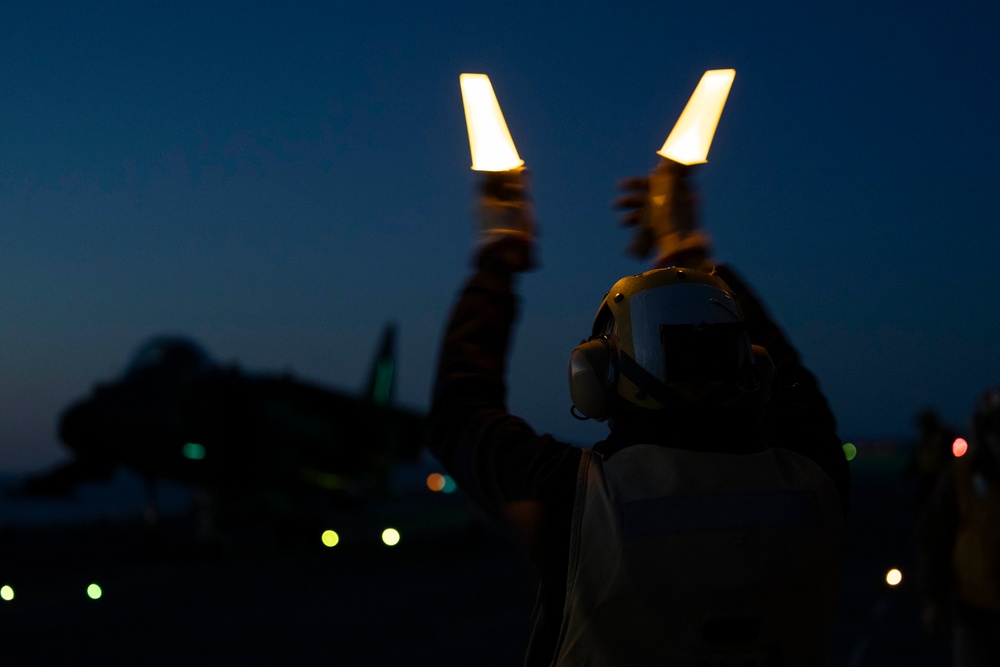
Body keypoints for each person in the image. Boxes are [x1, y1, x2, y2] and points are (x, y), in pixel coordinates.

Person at [428, 161, 849, 665]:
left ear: (596, 375)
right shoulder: (815, 480)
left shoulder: (576, 501)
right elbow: (791, 383)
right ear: (751, 364)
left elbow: (459, 412)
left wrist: (501, 249)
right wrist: (687, 243)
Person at [918, 387, 1000, 666]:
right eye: (993, 427)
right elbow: (933, 539)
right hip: (973, 608)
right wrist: (934, 600)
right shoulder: (961, 475)